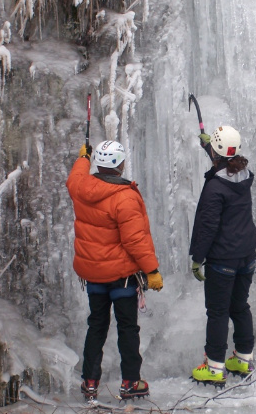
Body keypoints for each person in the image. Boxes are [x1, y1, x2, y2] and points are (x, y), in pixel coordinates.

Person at [66, 140, 164, 401]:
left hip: (94, 276)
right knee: (127, 328)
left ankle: (89, 382)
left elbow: (75, 177)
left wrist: (83, 159)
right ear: (121, 164)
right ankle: (130, 382)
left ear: (98, 162)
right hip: (121, 278)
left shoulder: (80, 187)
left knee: (96, 326)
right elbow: (135, 240)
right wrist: (151, 270)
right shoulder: (125, 196)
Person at [189, 126, 256, 386]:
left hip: (223, 259)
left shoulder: (214, 188)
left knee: (217, 311)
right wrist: (209, 147)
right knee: (239, 307)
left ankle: (214, 366)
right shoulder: (244, 175)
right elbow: (224, 162)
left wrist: (198, 258)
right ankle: (243, 358)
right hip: (246, 256)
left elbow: (208, 227)